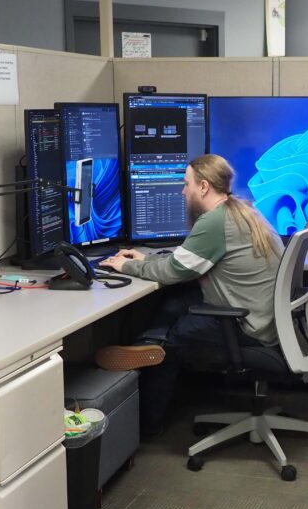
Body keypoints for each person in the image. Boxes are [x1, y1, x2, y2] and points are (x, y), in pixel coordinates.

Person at [94, 154, 284, 437]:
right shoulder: (242, 209)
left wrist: (127, 265)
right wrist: (145, 259)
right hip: (262, 315)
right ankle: (146, 342)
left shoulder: (214, 221)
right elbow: (190, 258)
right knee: (176, 302)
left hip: (245, 324)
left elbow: (173, 271)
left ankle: (147, 424)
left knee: (172, 341)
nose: (183, 191)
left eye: (186, 184)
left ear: (204, 187)